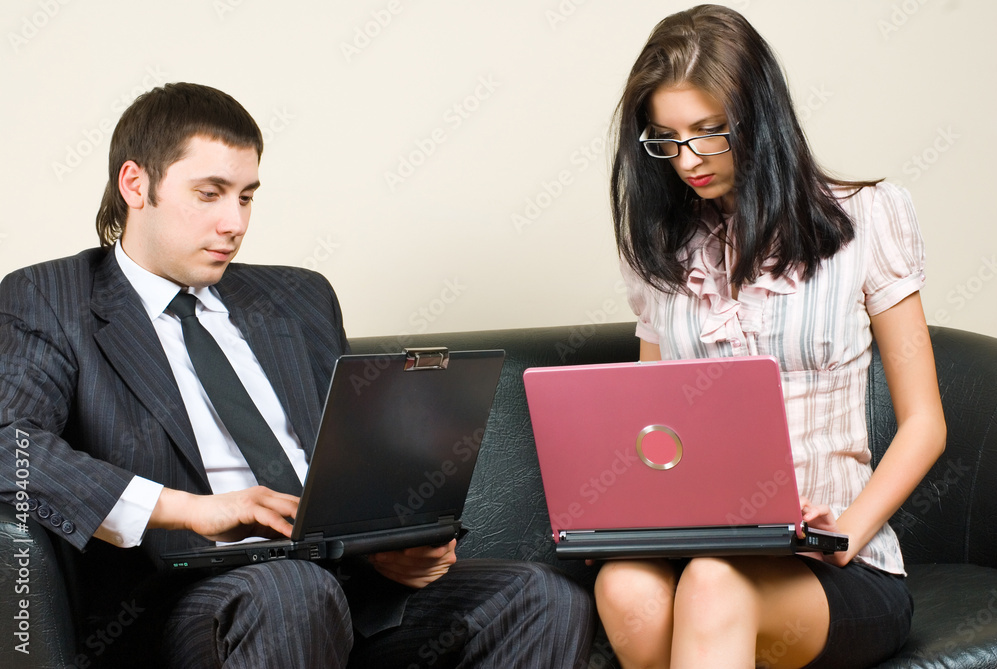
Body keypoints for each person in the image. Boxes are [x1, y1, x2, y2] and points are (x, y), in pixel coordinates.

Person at [0, 82, 595, 668]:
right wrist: (189, 509)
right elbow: (9, 446)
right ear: (135, 184)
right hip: (184, 602)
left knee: (540, 599)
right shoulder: (51, 298)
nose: (233, 222)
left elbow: (356, 457)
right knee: (292, 594)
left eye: (246, 197)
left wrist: (387, 544)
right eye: (209, 194)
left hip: (341, 584)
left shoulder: (299, 297)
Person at [597, 5, 945, 668]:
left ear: (759, 115)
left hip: (839, 562)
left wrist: (842, 535)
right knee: (624, 584)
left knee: (713, 584)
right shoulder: (659, 252)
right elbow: (652, 426)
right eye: (667, 139)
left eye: (709, 132)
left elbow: (925, 423)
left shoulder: (868, 217)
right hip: (704, 547)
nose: (688, 160)